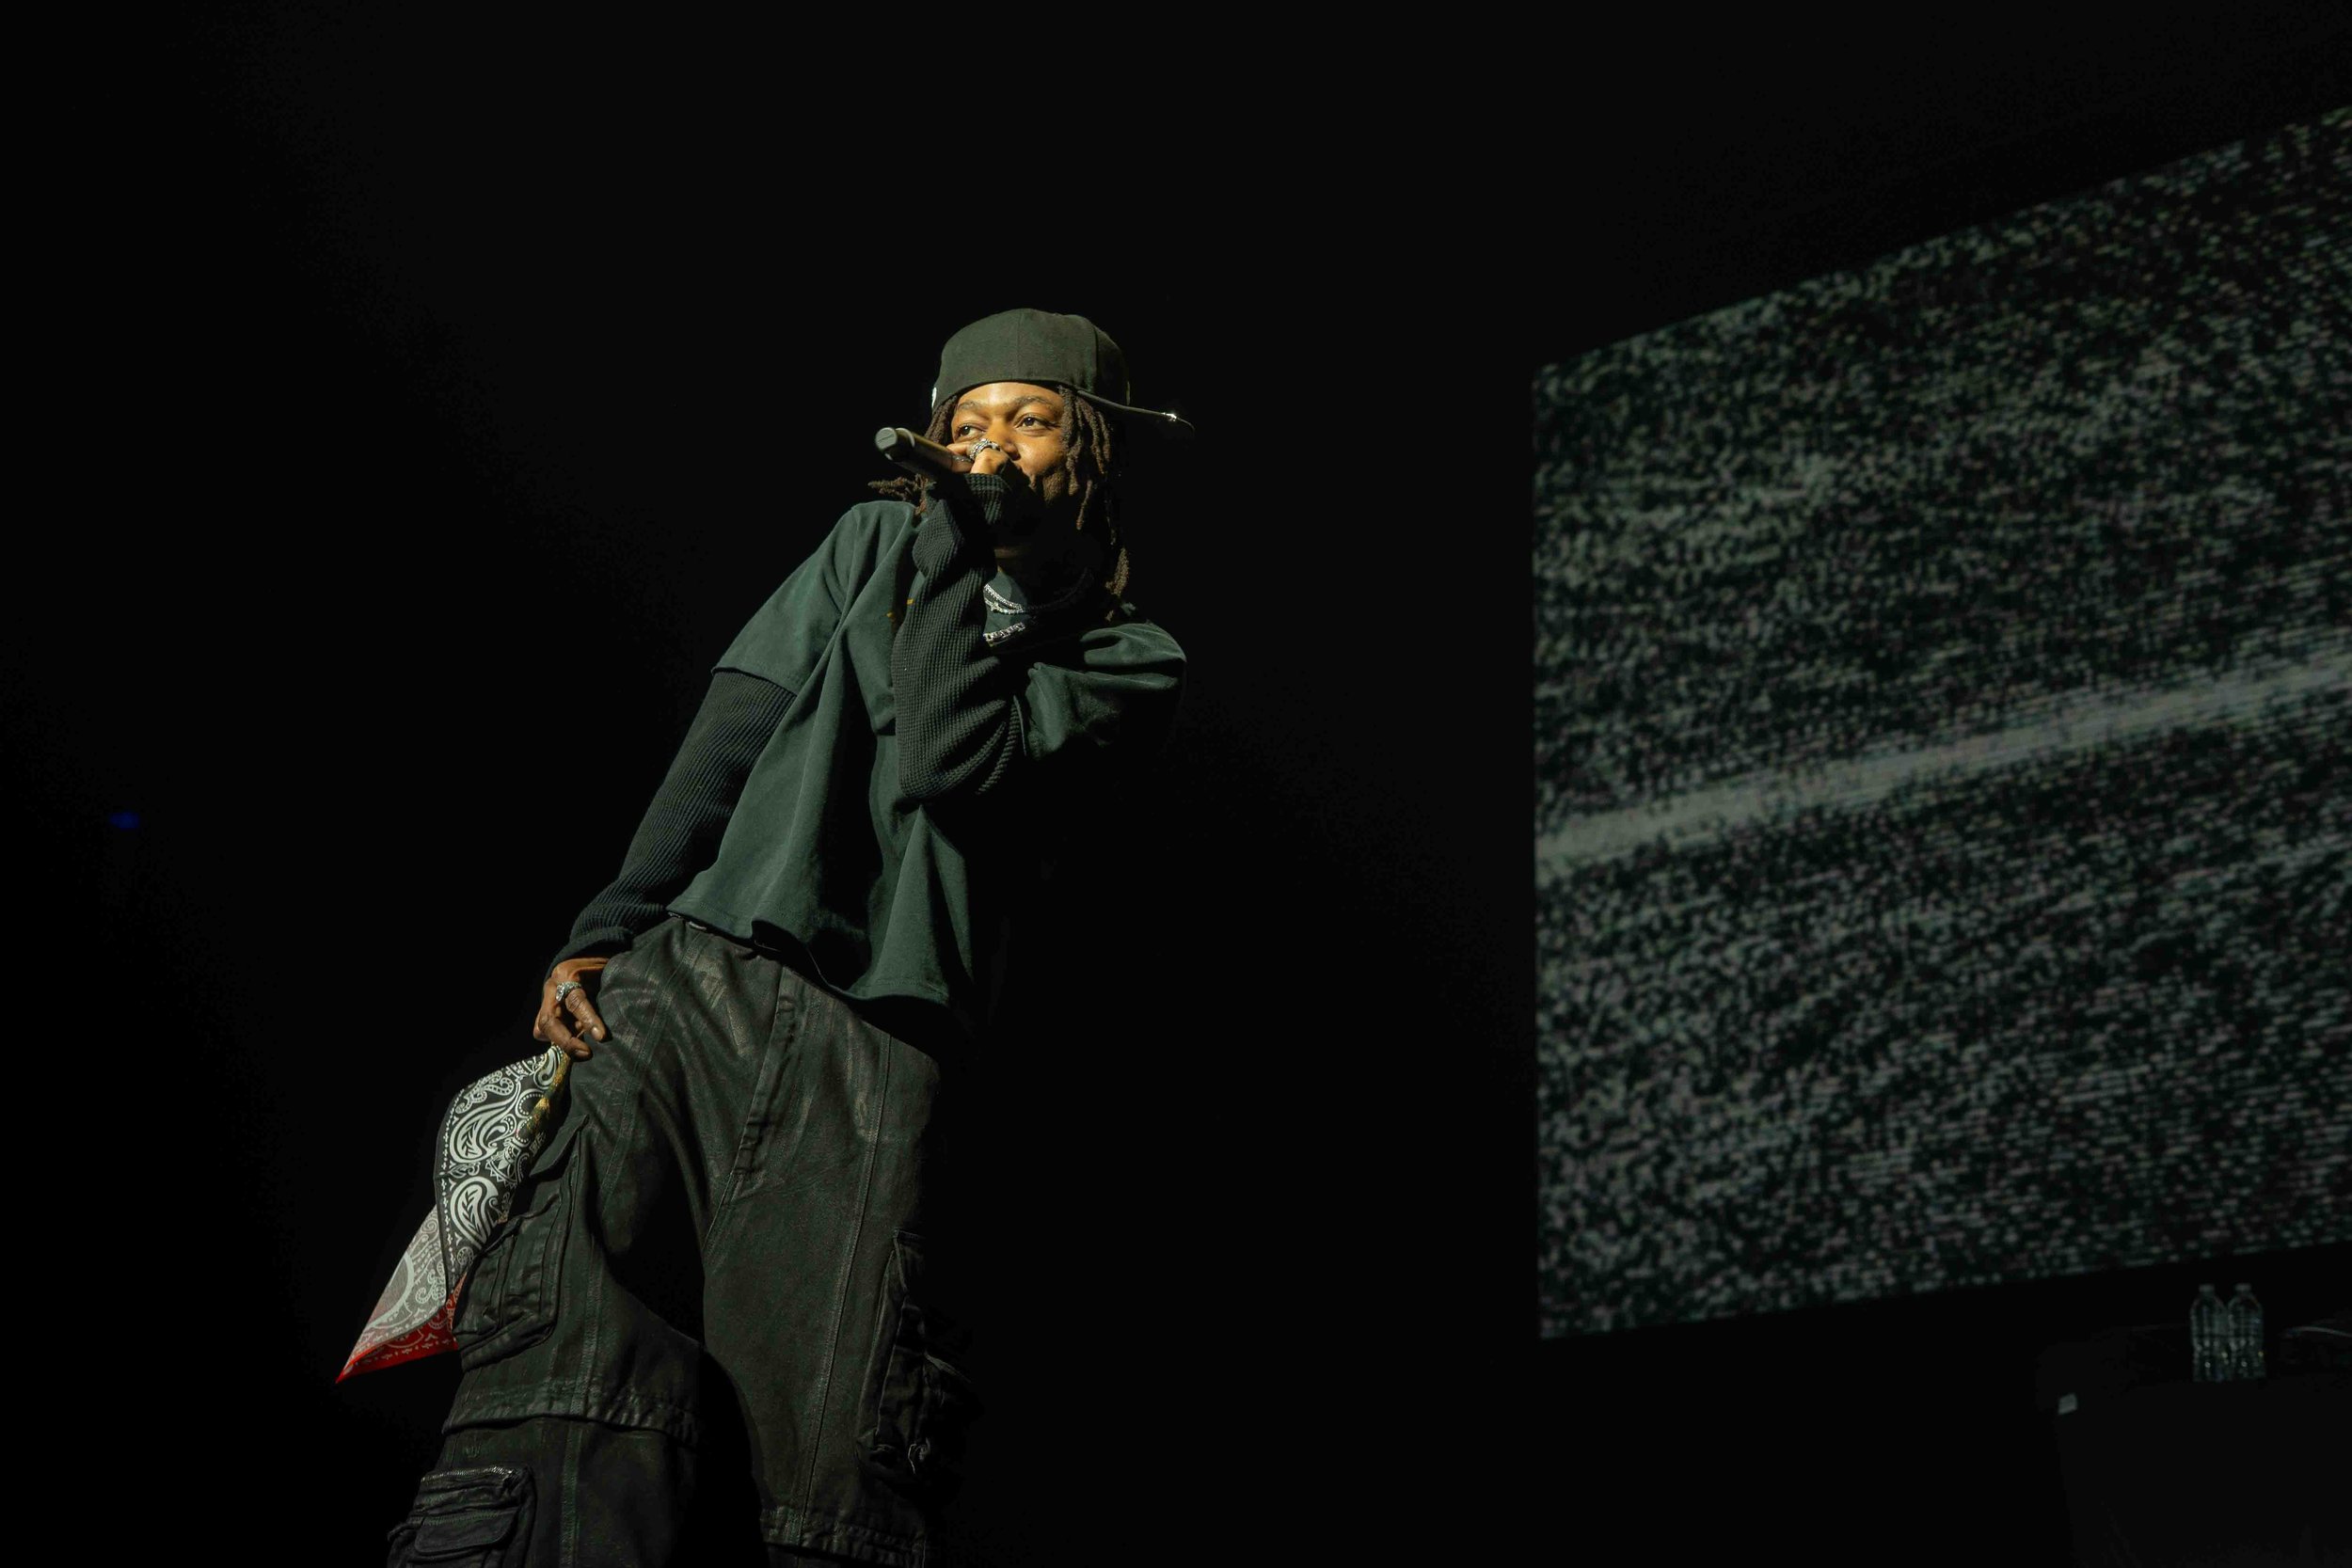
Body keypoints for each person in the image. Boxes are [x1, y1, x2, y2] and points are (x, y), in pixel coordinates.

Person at [384, 309, 1188, 1566]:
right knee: (569, 1377)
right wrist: (609, 926)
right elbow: (733, 732)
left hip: (875, 1054)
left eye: (1029, 421)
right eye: (966, 423)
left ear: (1088, 450)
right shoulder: (867, 544)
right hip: (694, 984)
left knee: (833, 1455)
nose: (990, 445)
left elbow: (951, 757)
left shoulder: (1127, 657)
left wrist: (960, 556)